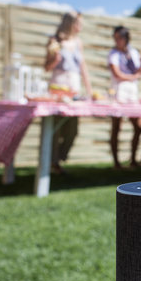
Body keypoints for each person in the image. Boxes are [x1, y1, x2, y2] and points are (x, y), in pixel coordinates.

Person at [44, 11, 92, 175]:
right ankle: (53, 163)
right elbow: (46, 67)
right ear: (69, 23)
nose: (81, 27)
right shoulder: (55, 40)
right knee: (55, 128)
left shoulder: (78, 42)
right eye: (78, 23)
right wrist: (54, 60)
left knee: (72, 129)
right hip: (58, 88)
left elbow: (82, 67)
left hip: (74, 88)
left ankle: (57, 158)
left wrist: (89, 89)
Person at [108, 25, 141, 169]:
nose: (117, 41)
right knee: (116, 127)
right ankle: (116, 162)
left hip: (132, 93)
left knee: (138, 127)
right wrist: (133, 76)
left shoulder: (133, 52)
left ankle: (133, 160)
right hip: (118, 92)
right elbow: (117, 74)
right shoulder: (113, 54)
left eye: (119, 38)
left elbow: (139, 73)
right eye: (115, 38)